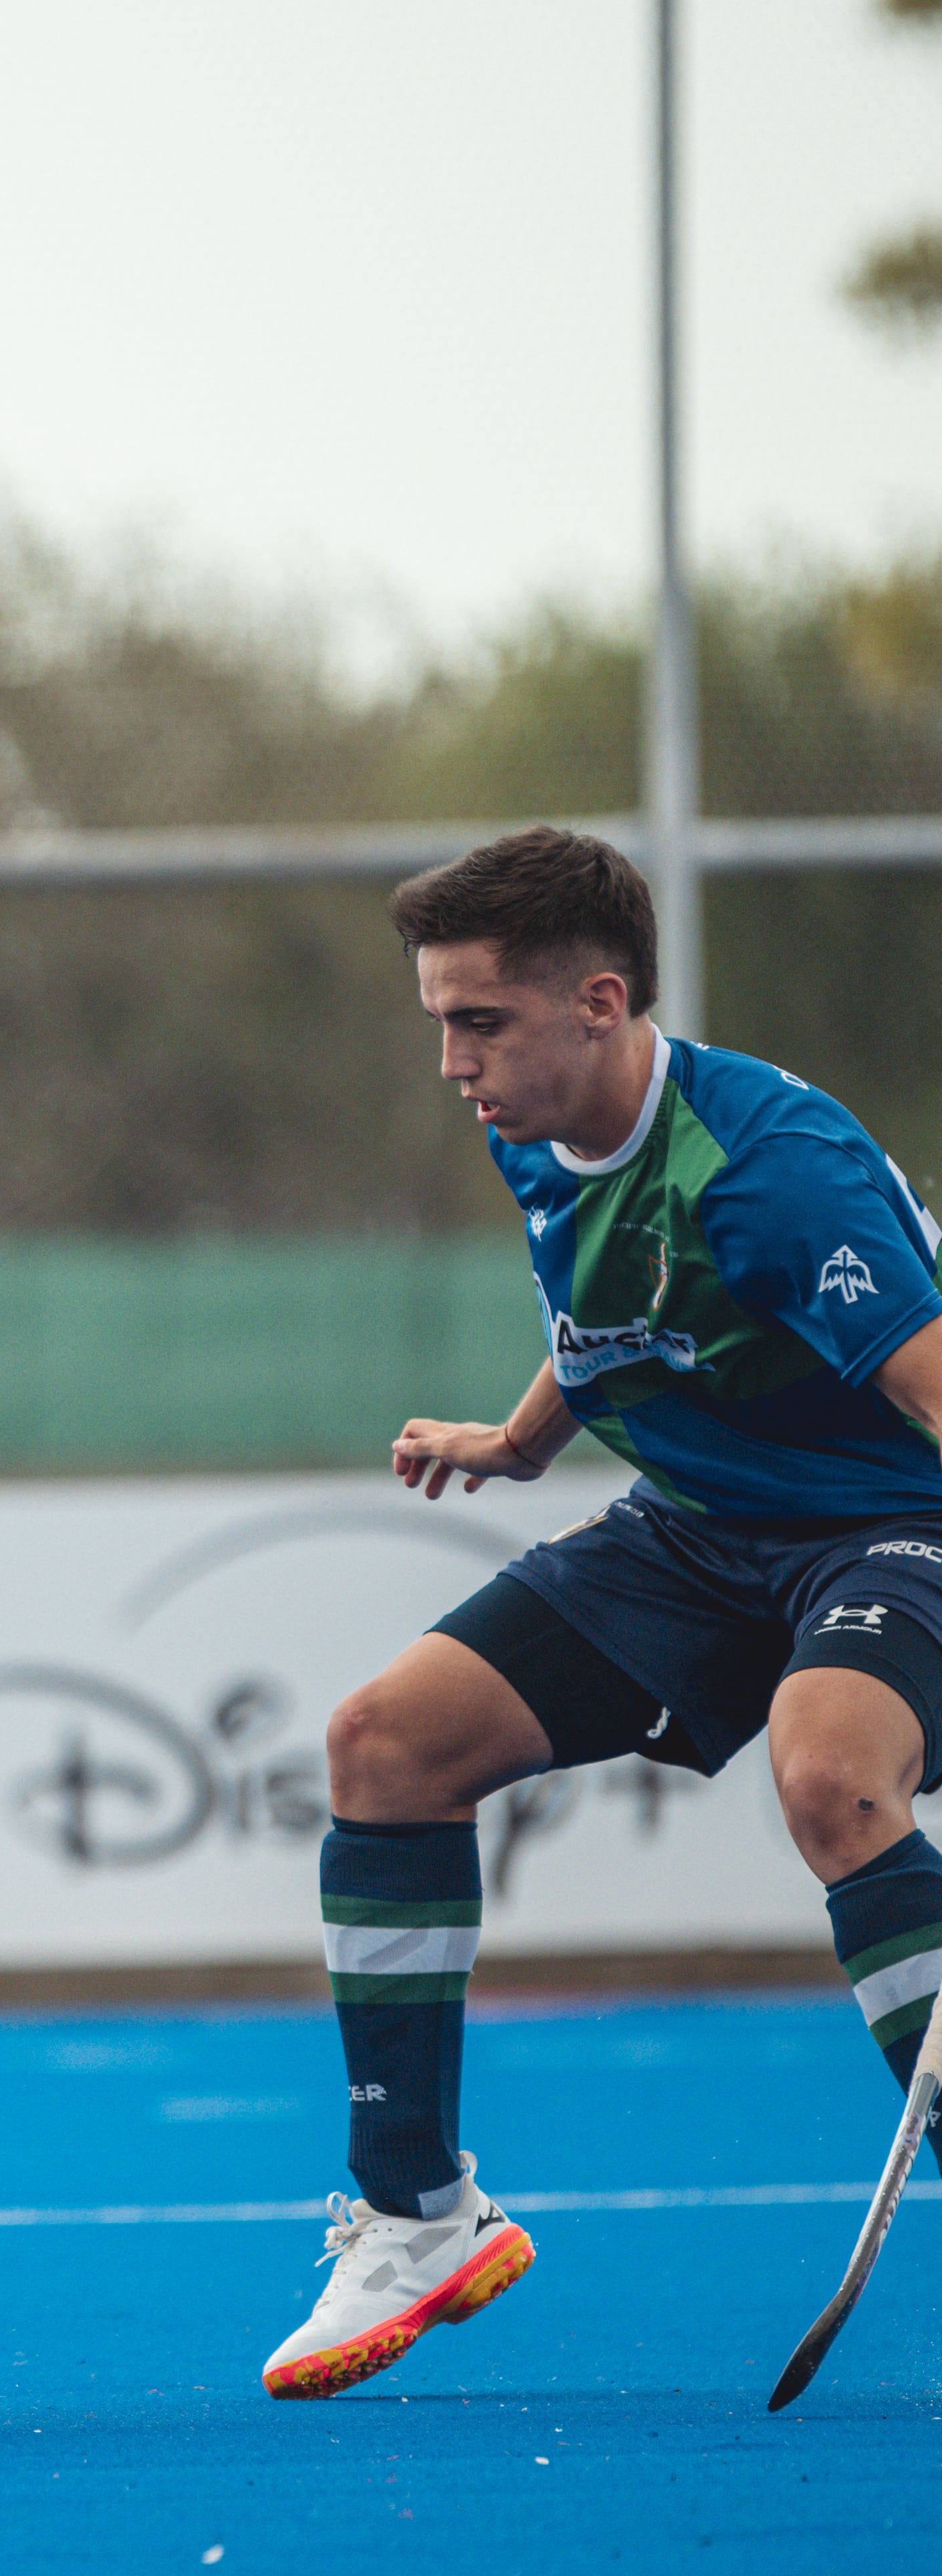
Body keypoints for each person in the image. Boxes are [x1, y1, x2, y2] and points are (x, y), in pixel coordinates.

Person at [266, 825, 942, 2399]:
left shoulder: (775, 1168)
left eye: (479, 1021)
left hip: (887, 1525)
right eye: (439, 1020)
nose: (452, 1061)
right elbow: (611, 1311)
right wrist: (516, 1446)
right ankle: (420, 2214)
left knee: (832, 1773)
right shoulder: (535, 1121)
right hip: (693, 1530)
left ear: (601, 998)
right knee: (384, 1745)